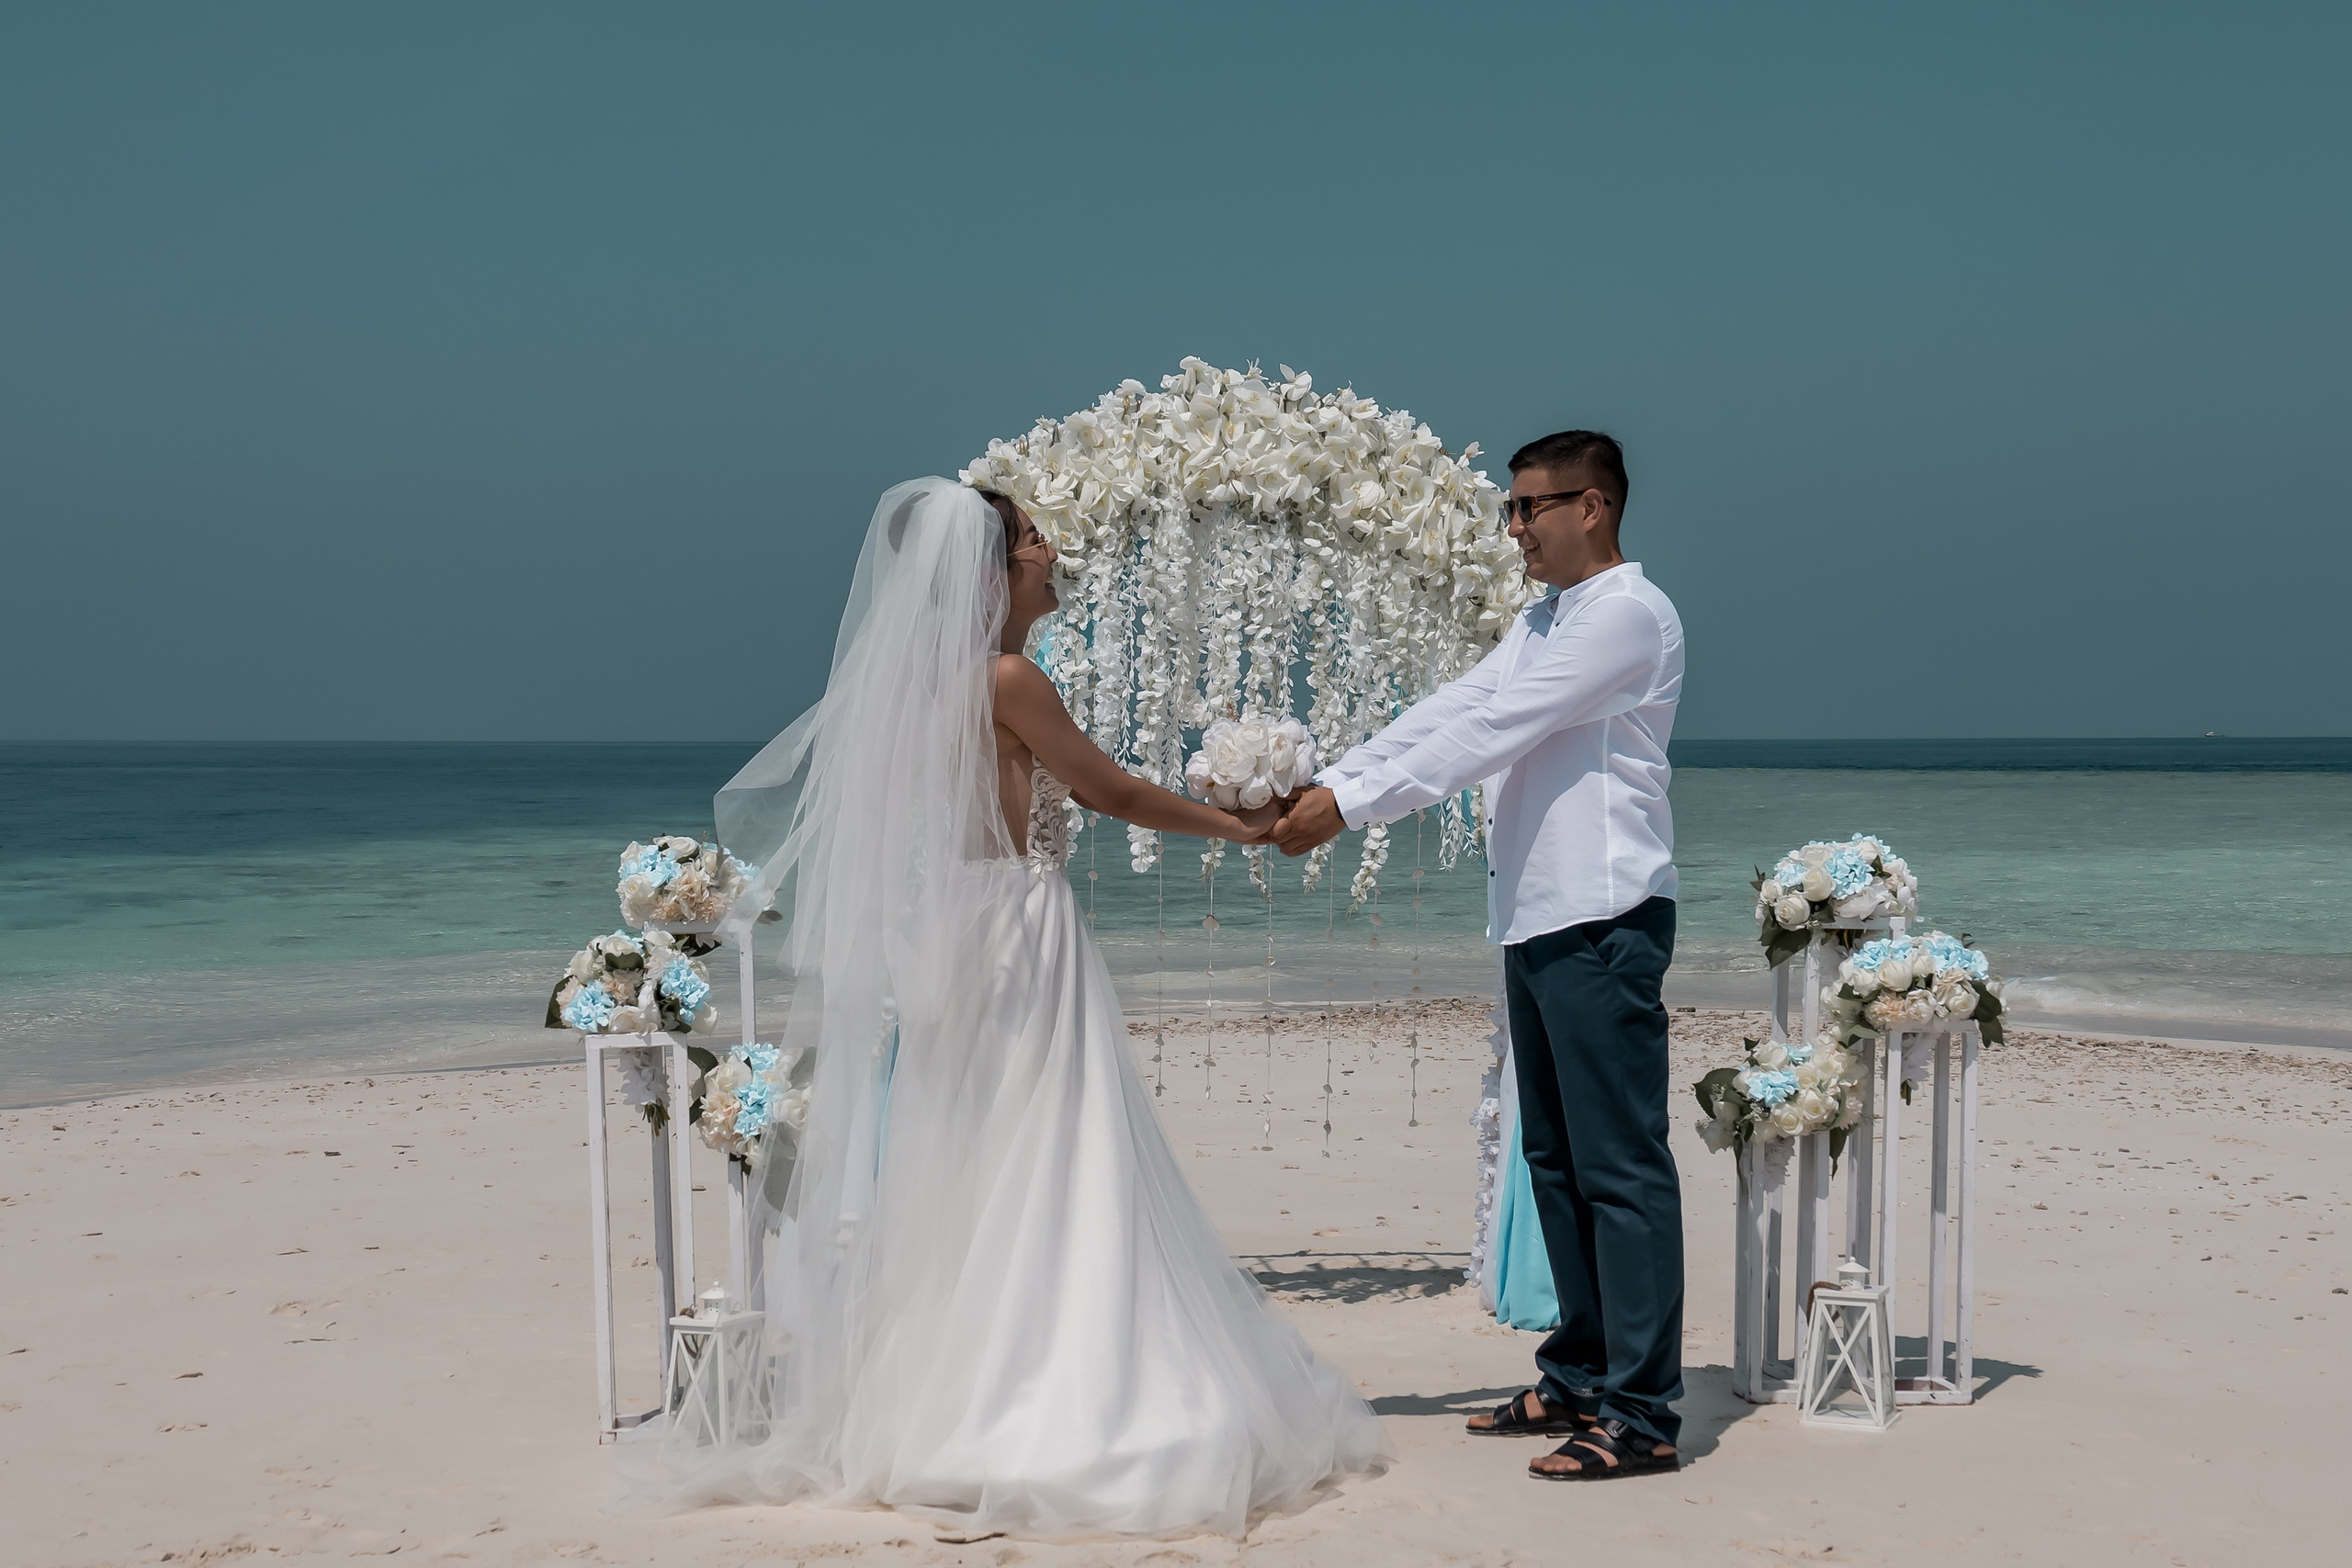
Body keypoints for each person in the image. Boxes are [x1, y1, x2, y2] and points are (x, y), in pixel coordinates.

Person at [627, 477, 1390, 1537]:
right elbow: (1111, 791)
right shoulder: (1007, 678)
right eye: (1031, 537)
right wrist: (1242, 830)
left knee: (979, 1157)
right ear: (991, 573)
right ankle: (1065, 1399)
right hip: (1019, 937)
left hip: (951, 931)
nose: (1049, 550)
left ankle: (956, 1398)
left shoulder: (914, 687)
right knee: (1058, 1148)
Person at [1272, 430, 1687, 1481]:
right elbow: (1454, 706)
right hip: (1536, 915)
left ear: (1591, 507)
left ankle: (1642, 1413)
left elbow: (1500, 728)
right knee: (1550, 1161)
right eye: (1511, 509)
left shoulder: (1626, 617)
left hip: (1601, 916)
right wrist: (1336, 774)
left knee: (1619, 1169)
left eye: (1528, 508)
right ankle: (1582, 1372)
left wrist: (1349, 809)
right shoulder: (1544, 616)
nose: (1512, 528)